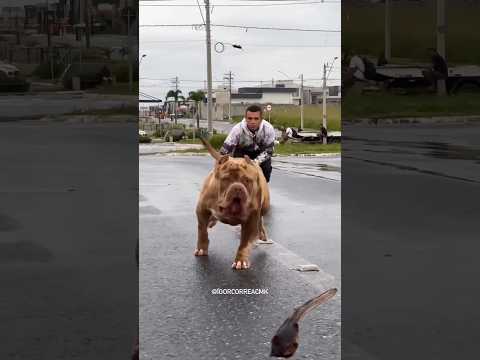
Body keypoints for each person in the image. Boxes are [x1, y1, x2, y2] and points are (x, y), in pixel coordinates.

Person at [219, 104, 276, 183]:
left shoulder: (268, 129)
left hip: (261, 154)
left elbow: (269, 150)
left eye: (256, 119)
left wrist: (254, 162)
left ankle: (261, 189)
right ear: (245, 118)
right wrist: (222, 162)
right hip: (242, 153)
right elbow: (225, 149)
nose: (253, 122)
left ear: (261, 119)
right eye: (250, 118)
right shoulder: (237, 129)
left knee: (266, 170)